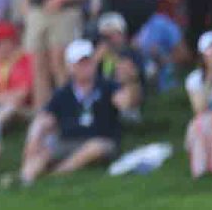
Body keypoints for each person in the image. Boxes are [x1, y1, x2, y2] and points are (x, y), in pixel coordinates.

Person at [20, 39, 138, 185]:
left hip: (101, 139)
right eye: (80, 63)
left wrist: (130, 82)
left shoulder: (108, 87)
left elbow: (125, 103)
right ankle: (24, 179)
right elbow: (45, 118)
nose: (85, 67)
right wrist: (34, 140)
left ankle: (58, 173)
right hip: (68, 141)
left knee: (95, 147)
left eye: (87, 61)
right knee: (43, 152)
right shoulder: (63, 93)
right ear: (70, 67)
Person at [0, 21, 33, 129]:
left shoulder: (26, 60)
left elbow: (21, 95)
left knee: (10, 107)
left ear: (10, 42)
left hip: (23, 109)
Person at [185, 30, 212, 177]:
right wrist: (210, 79)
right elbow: (199, 108)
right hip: (206, 117)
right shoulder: (195, 79)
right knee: (198, 126)